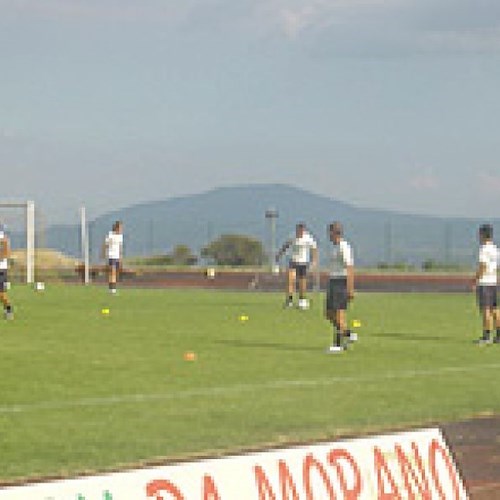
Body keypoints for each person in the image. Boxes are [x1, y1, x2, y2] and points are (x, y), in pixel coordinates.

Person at [326, 221, 355, 353]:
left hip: (341, 282)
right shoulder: (334, 247)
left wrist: (350, 288)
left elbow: (349, 268)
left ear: (335, 232)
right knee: (329, 314)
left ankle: (338, 344)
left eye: (329, 232)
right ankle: (348, 334)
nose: (328, 235)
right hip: (333, 281)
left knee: (339, 314)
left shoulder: (344, 247)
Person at [276, 223, 318, 309]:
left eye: (301, 230)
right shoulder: (292, 236)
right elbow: (286, 245)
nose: (300, 232)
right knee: (290, 280)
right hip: (293, 261)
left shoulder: (308, 238)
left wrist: (314, 261)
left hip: (303, 262)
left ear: (304, 230)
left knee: (302, 282)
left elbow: (314, 249)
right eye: (298, 230)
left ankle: (302, 300)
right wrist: (279, 254)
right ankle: (289, 300)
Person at [474, 224, 500, 345]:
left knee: (486, 309)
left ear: (483, 234)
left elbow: (483, 266)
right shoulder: (495, 248)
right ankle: (499, 335)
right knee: (495, 309)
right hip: (494, 282)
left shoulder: (484, 249)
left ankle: (487, 336)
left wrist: (476, 279)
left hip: (485, 282)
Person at [103, 221, 123, 294]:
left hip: (117, 256)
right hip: (111, 256)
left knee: (114, 273)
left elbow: (120, 247)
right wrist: (104, 254)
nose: (121, 229)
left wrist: (120, 257)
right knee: (112, 272)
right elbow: (106, 245)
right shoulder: (110, 235)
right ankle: (112, 289)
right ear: (116, 227)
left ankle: (112, 287)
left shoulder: (120, 236)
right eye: (120, 228)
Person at [0, 224, 14, 320]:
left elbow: (6, 252)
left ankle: (8, 308)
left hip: (1, 269)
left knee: (1, 293)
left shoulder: (2, 238)